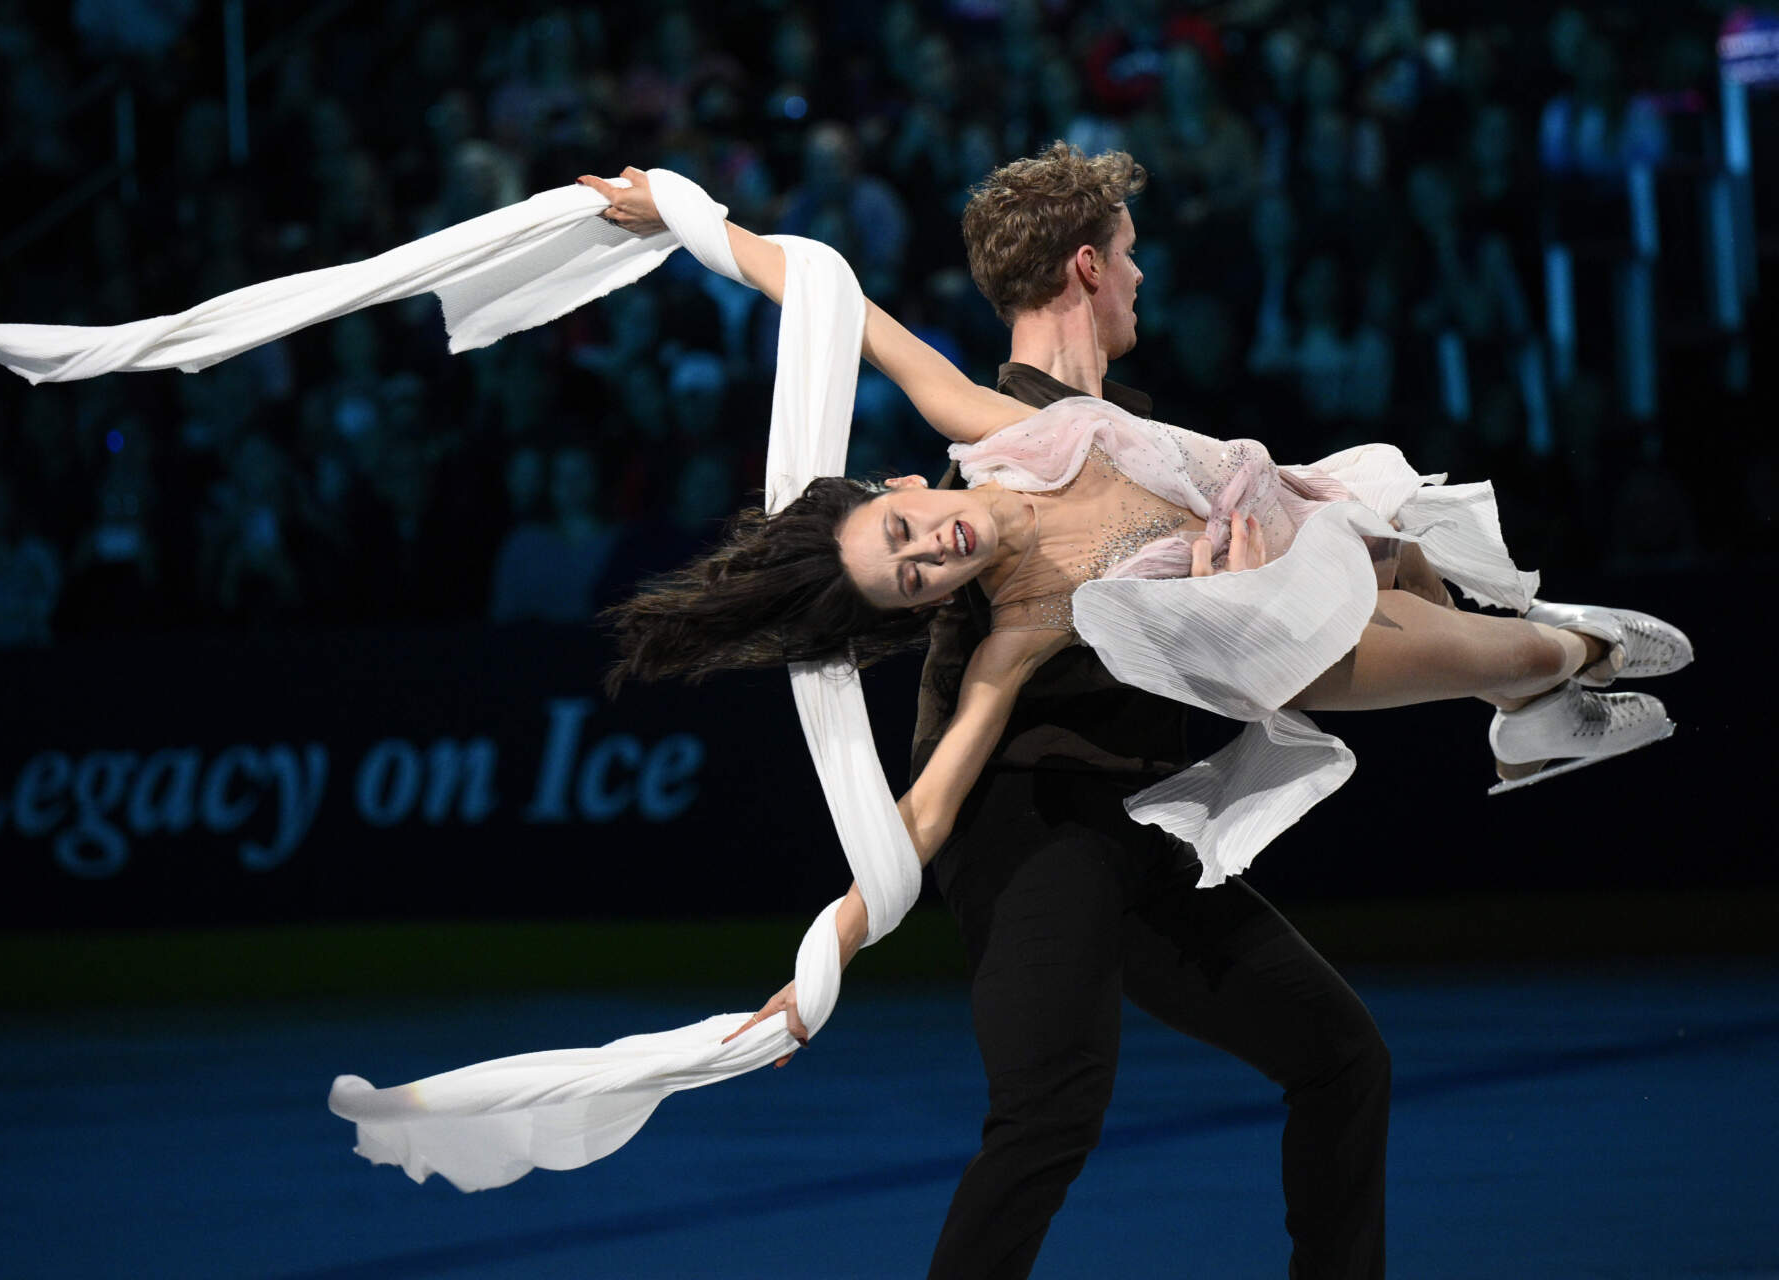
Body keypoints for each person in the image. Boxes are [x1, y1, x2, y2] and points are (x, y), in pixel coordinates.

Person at [582, 150, 1690, 1279]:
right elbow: (927, 807)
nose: (1142, 272)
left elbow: (831, 296)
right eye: (1127, 255)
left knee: (1343, 1053)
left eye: (906, 536)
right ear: (1088, 267)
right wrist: (819, 963)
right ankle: (1550, 665)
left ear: (900, 490)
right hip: (1030, 831)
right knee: (1050, 1109)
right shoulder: (1008, 578)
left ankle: (1533, 686)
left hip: (1137, 811)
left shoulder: (1042, 434)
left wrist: (677, 210)